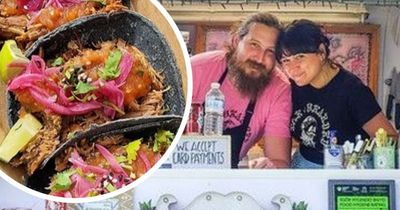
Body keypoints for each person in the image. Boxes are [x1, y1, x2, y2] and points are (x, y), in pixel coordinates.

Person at [275, 19, 398, 169]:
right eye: (286, 60)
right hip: (304, 164)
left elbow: (389, 138)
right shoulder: (290, 87)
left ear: (321, 52)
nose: (292, 68)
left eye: (300, 57)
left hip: (346, 169)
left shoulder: (352, 90)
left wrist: (359, 162)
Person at [191, 12, 292, 168]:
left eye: (270, 52)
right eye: (254, 45)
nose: (259, 58)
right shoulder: (195, 70)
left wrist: (268, 166)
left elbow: (280, 162)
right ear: (236, 40)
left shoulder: (279, 88)